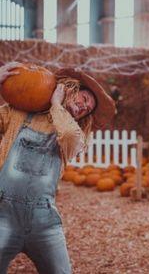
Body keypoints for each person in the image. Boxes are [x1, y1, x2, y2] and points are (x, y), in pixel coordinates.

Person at [0, 65, 115, 274]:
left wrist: (56, 105)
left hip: (44, 221)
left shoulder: (76, 134)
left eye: (87, 109)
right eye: (84, 99)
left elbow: (70, 137)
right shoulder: (18, 114)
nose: (83, 107)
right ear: (70, 88)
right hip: (3, 215)